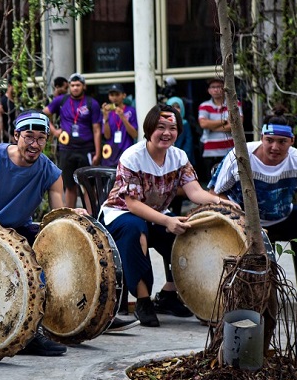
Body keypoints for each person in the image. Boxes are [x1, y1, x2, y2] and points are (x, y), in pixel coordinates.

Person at [0, 112, 137, 354]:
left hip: (19, 229)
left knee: (65, 255)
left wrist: (73, 213)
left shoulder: (50, 172)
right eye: (29, 136)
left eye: (41, 138)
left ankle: (95, 312)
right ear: (16, 136)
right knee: (34, 271)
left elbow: (57, 214)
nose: (34, 144)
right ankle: (30, 335)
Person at [100, 104, 240, 327]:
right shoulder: (132, 156)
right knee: (137, 231)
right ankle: (143, 300)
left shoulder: (179, 156)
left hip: (157, 213)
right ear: (149, 129)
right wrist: (167, 221)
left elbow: (194, 192)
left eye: (172, 128)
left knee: (188, 231)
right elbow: (133, 204)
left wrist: (220, 201)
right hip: (121, 213)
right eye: (160, 127)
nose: (166, 133)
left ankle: (170, 294)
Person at [209, 113, 297, 241]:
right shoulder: (241, 155)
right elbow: (214, 193)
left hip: (283, 217)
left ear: (292, 141)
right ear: (262, 138)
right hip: (242, 221)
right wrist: (237, 217)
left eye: (282, 141)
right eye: (270, 140)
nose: (275, 147)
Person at [43, 73, 102, 208]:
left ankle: (91, 218)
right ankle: (71, 217)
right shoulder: (61, 100)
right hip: (66, 149)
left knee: (88, 186)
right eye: (72, 85)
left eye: (78, 85)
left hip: (86, 148)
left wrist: (98, 153)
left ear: (84, 86)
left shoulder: (91, 103)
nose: (75, 88)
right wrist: (54, 131)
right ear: (69, 86)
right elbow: (45, 113)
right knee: (69, 186)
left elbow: (97, 130)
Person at [197, 77, 241, 181]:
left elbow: (236, 125)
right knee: (212, 182)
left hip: (230, 150)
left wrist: (213, 127)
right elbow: (203, 124)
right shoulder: (204, 106)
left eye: (219, 87)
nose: (216, 89)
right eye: (213, 87)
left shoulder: (234, 104)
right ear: (209, 90)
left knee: (231, 181)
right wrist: (225, 121)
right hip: (210, 152)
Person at [100, 83, 138, 168]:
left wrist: (123, 117)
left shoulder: (130, 111)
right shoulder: (107, 112)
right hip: (111, 155)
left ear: (124, 95)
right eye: (112, 95)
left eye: (117, 94)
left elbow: (134, 134)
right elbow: (107, 136)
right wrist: (105, 117)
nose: (114, 97)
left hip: (126, 153)